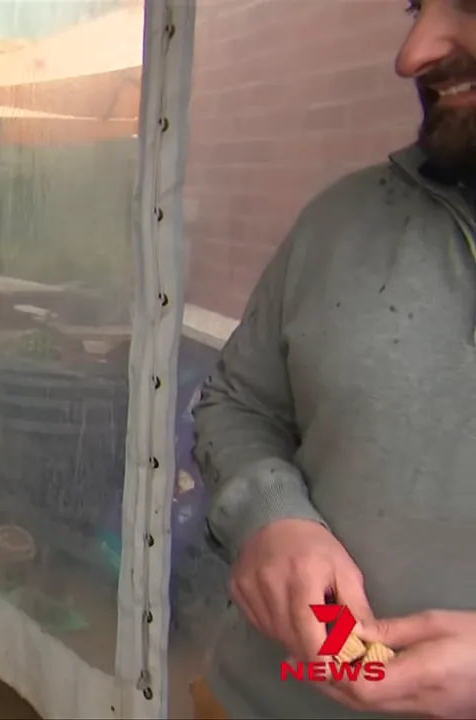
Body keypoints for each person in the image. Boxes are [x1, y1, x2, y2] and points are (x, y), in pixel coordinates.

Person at [193, 1, 476, 717]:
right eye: (418, 6)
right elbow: (241, 402)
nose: (411, 55)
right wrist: (268, 514)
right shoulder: (341, 218)